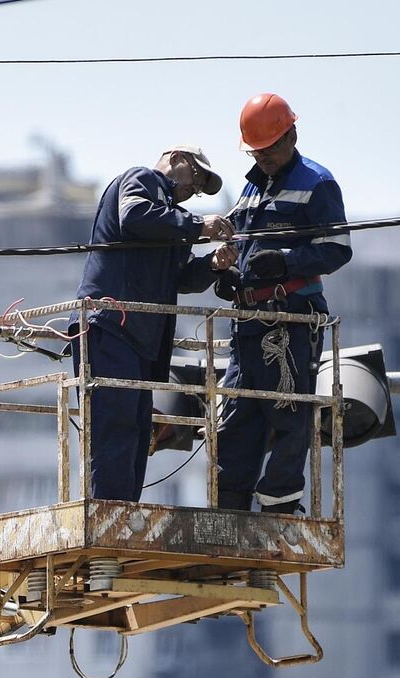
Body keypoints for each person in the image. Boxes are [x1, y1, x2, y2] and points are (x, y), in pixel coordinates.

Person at [212, 93, 353, 513]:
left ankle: (278, 510)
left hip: (289, 322)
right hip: (248, 323)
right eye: (257, 151)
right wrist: (227, 273)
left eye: (271, 148)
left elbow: (337, 248)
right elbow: (240, 243)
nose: (265, 158)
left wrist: (287, 262)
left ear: (291, 135)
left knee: (288, 415)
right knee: (238, 417)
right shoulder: (253, 185)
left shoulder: (317, 183)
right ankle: (228, 514)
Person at [72, 147, 234, 502]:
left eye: (203, 187)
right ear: (177, 159)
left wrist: (213, 265)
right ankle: (109, 512)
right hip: (112, 324)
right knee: (116, 424)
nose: (196, 191)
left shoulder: (171, 220)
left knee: (138, 428)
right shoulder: (143, 180)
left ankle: (122, 509)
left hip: (140, 339)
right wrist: (198, 225)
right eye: (197, 177)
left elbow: (181, 277)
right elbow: (133, 216)